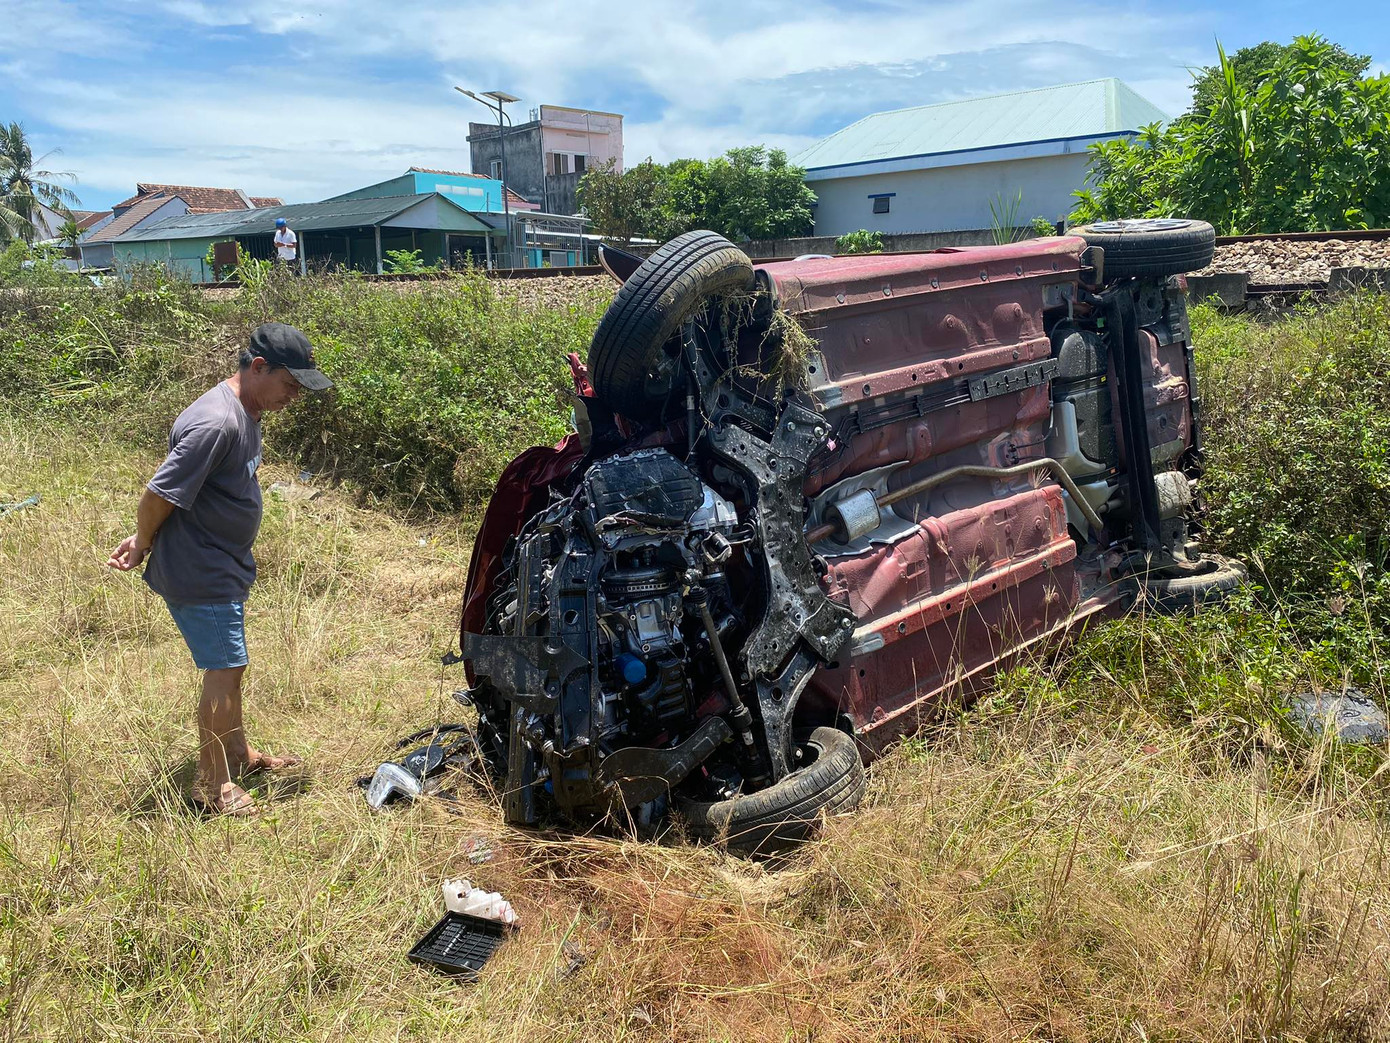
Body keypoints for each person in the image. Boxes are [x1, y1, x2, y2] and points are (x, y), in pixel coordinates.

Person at [107, 323, 333, 815]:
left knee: (232, 667)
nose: (294, 396)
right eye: (290, 384)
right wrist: (142, 540)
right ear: (258, 368)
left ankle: (237, 754)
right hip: (200, 568)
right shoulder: (217, 423)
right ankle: (212, 788)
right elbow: (159, 493)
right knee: (224, 669)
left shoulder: (246, 409)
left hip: (219, 562)